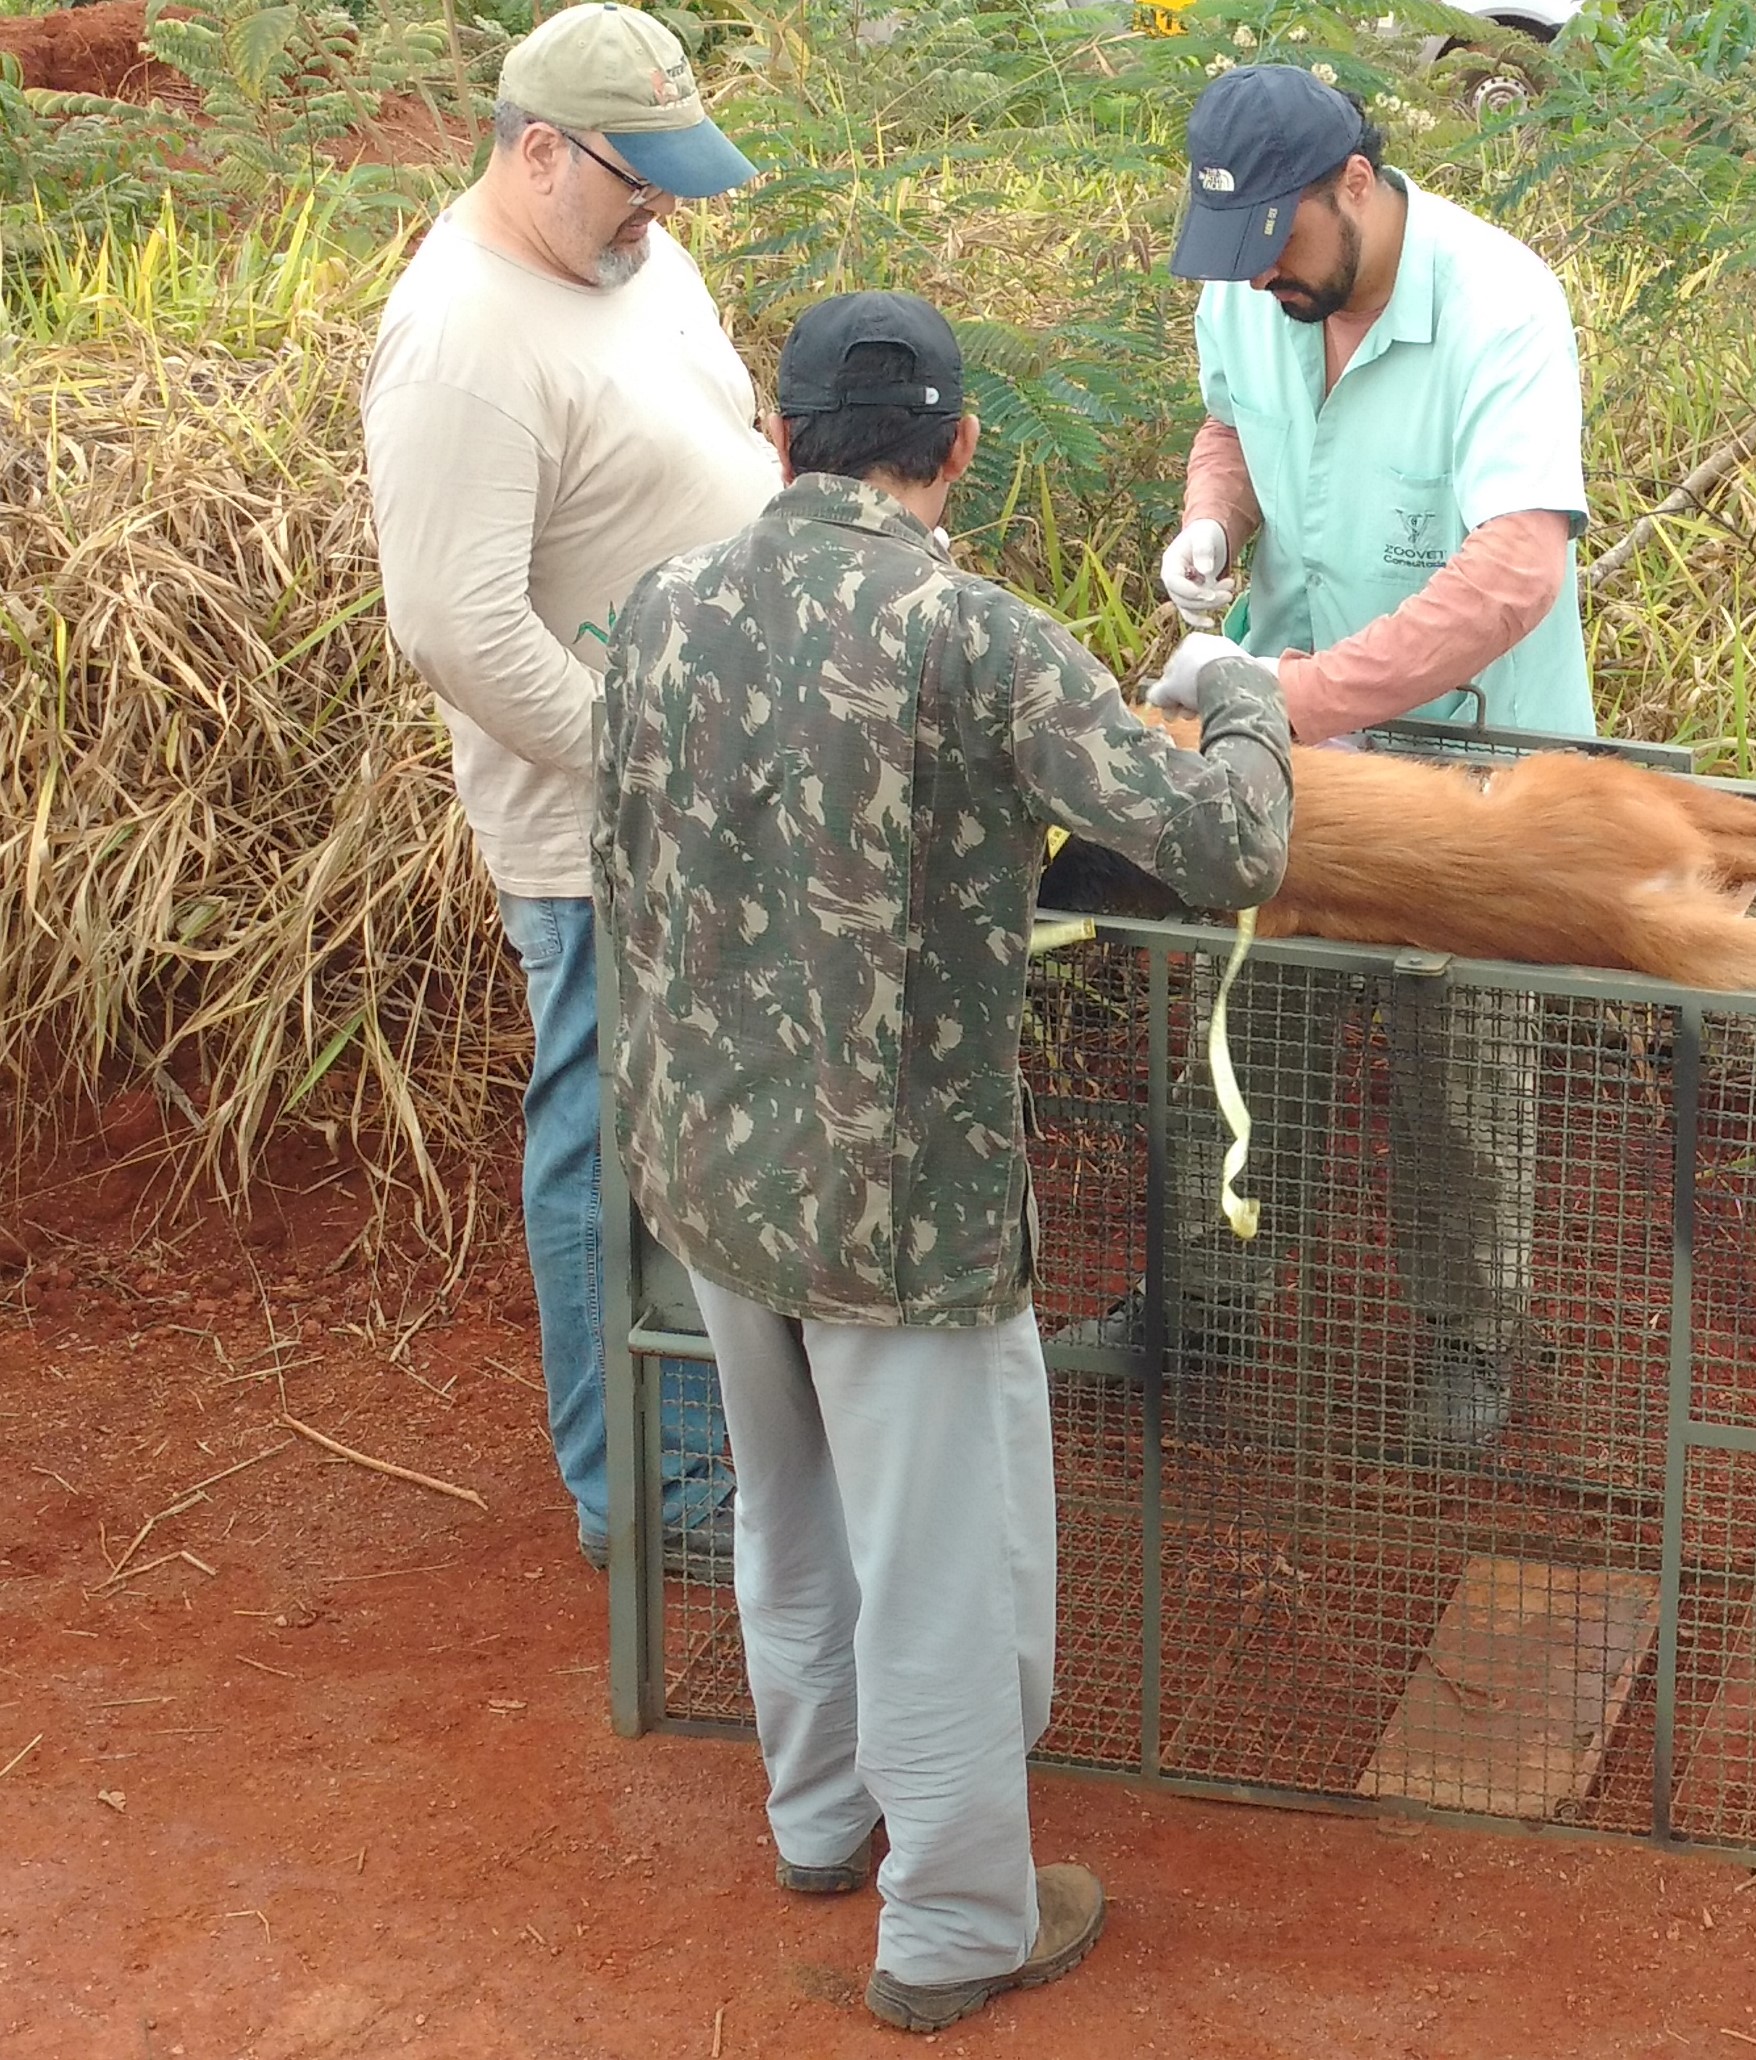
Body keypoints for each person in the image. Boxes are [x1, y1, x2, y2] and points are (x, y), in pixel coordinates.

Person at [594, 290, 1292, 2032]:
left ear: (779, 441)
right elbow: (1225, 843)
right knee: (941, 1564)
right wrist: (1245, 694)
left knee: (790, 1514)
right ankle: (961, 1923)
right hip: (900, 1209)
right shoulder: (969, 634)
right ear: (958, 445)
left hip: (703, 1166)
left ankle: (820, 1818)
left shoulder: (660, 613)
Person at [1063, 64, 1592, 1452]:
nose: (1264, 282)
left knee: (1457, 1053)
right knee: (1243, 1026)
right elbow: (1228, 421)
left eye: (1280, 247)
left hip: (1459, 753)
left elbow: (1511, 575)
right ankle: (1204, 1307)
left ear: (1352, 181)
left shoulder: (1499, 305)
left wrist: (1296, 692)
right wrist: (1208, 524)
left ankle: (1471, 1341)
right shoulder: (1248, 282)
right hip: (1276, 734)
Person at [362, 2, 779, 1576]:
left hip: (718, 797)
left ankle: (727, 1447)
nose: (660, 202)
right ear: (535, 151)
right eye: (632, 172)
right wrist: (654, 765)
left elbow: (720, 434)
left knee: (707, 1136)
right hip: (605, 830)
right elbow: (457, 627)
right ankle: (653, 1503)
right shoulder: (463, 341)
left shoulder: (631, 257)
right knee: (614, 1150)